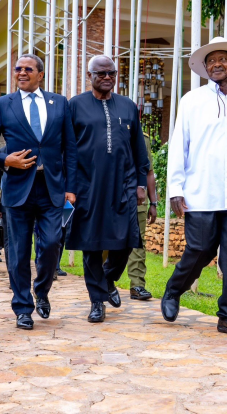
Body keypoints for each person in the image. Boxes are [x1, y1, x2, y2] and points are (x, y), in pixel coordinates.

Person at [162, 37, 227, 338]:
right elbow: (178, 148)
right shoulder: (192, 101)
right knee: (199, 249)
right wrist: (175, 189)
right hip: (201, 192)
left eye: (223, 59)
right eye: (211, 60)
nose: (217, 64)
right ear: (205, 67)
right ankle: (174, 290)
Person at [0, 54, 77, 331]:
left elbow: (70, 148)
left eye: (28, 69)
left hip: (52, 188)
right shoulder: (3, 104)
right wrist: (5, 159)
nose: (21, 73)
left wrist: (71, 188)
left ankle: (42, 290)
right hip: (17, 189)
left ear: (40, 74)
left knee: (51, 244)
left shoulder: (59, 103)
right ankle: (23, 308)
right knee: (18, 252)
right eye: (18, 69)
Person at [66, 55, 150, 323]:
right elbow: (68, 149)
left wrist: (141, 183)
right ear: (89, 75)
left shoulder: (127, 106)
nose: (106, 77)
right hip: (87, 186)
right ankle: (96, 301)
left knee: (127, 240)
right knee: (91, 245)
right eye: (101, 73)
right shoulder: (75, 105)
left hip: (123, 185)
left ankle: (106, 280)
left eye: (111, 73)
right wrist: (69, 187)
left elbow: (139, 150)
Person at [127, 132, 158, 300]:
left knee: (138, 243)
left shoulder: (143, 138)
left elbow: (149, 172)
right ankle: (102, 280)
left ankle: (137, 285)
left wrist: (153, 202)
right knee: (105, 243)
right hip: (110, 197)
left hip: (137, 199)